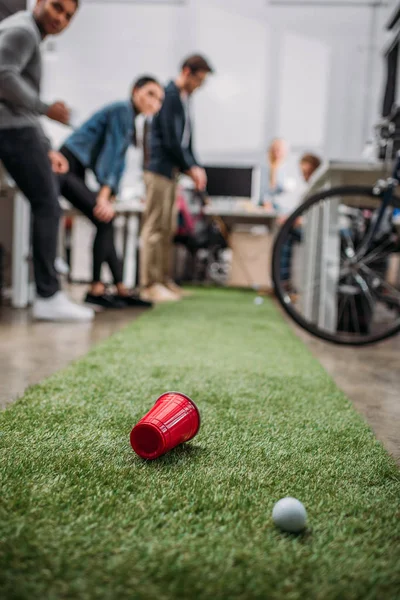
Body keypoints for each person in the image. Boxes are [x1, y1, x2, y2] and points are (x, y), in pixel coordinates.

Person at [0, 0, 94, 321]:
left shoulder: (25, 31)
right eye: (56, 7)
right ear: (39, 2)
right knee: (47, 204)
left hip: (18, 128)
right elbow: (2, 76)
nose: (61, 18)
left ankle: (48, 289)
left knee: (46, 203)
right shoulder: (23, 30)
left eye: (68, 16)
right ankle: (48, 294)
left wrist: (45, 146)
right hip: (12, 130)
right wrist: (45, 108)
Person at [58, 76, 164, 309]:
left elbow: (116, 162)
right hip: (65, 167)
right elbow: (110, 155)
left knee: (106, 220)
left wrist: (109, 193)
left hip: (78, 171)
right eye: (150, 94)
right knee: (104, 219)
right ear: (135, 91)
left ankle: (120, 288)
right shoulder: (122, 111)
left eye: (159, 100)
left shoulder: (129, 116)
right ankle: (97, 288)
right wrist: (104, 197)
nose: (154, 103)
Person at [140, 54, 214, 303]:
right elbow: (172, 140)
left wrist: (195, 166)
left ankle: (162, 279)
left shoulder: (184, 100)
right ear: (186, 72)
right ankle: (149, 284)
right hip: (158, 169)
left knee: (167, 228)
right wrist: (189, 167)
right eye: (199, 80)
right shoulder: (169, 95)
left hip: (172, 173)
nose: (199, 86)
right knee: (155, 228)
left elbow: (186, 140)